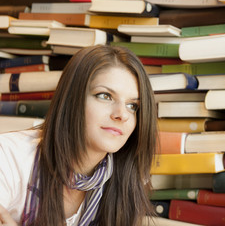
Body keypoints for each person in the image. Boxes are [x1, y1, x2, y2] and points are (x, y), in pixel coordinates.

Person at [0, 45, 158, 225]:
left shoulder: (126, 182)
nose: (121, 115)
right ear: (71, 99)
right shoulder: (8, 156)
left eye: (132, 106)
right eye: (105, 96)